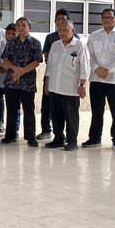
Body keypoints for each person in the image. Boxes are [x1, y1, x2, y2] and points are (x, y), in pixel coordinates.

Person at [83, 8, 115, 151]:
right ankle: (94, 138)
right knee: (96, 111)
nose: (106, 19)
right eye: (104, 17)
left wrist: (108, 70)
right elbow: (89, 55)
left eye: (110, 17)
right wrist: (97, 69)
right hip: (97, 79)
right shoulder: (94, 35)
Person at [43, 19, 89, 151]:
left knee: (71, 116)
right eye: (60, 30)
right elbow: (50, 66)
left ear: (72, 31)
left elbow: (85, 67)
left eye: (66, 29)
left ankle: (72, 141)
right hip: (55, 87)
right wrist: (47, 83)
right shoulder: (55, 45)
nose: (62, 32)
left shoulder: (80, 46)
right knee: (56, 115)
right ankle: (58, 139)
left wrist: (83, 85)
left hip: (71, 88)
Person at [0, 17, 43, 147]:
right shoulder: (11, 42)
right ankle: (10, 135)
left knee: (28, 109)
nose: (20, 27)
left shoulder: (35, 43)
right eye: (18, 25)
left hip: (27, 82)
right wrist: (14, 69)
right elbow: (5, 59)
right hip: (11, 80)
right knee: (12, 108)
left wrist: (22, 71)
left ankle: (30, 137)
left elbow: (36, 61)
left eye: (23, 25)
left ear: (30, 28)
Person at [37, 8, 78, 140]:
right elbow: (48, 58)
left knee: (67, 109)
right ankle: (47, 130)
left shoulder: (77, 41)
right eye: (58, 20)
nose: (60, 23)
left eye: (63, 19)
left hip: (69, 80)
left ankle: (69, 136)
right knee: (48, 106)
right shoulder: (51, 39)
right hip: (52, 76)